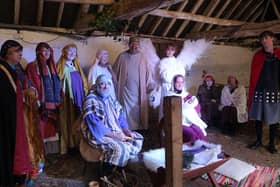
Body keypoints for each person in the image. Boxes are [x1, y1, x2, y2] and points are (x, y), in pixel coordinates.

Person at [81, 74, 143, 167]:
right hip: (98, 133)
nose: (106, 86)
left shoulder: (111, 100)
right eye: (102, 84)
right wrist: (116, 136)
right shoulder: (90, 101)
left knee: (137, 139)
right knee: (120, 148)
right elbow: (96, 125)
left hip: (115, 130)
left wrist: (127, 131)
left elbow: (121, 118)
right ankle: (107, 173)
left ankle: (120, 168)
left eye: (108, 84)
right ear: (97, 85)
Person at [0, 40, 31, 187]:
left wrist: (25, 93)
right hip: (7, 121)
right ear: (7, 54)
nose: (20, 54)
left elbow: (13, 94)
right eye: (16, 51)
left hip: (14, 117)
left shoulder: (11, 69)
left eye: (21, 51)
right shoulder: (2, 71)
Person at [247, 31, 280, 154]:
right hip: (259, 91)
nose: (264, 41)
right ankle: (259, 141)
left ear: (272, 39)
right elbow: (254, 75)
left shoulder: (279, 54)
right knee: (258, 118)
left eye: (266, 38)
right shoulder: (258, 56)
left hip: (274, 92)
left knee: (274, 120)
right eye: (262, 39)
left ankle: (271, 144)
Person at [26, 42, 61, 155]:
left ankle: (50, 153)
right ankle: (40, 153)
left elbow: (56, 83)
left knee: (50, 128)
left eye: (48, 51)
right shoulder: (32, 66)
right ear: (38, 52)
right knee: (40, 128)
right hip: (41, 104)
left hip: (53, 105)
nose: (46, 53)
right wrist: (38, 99)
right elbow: (31, 82)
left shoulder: (52, 66)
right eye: (43, 51)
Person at [113, 37, 153, 130]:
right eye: (132, 44)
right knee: (125, 110)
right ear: (129, 44)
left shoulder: (143, 57)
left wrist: (148, 86)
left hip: (139, 91)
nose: (134, 46)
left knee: (138, 111)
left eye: (136, 44)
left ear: (138, 45)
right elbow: (114, 71)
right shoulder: (122, 56)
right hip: (125, 90)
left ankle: (139, 128)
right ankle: (127, 129)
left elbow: (148, 73)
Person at [56, 43, 88, 154]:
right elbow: (58, 82)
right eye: (69, 51)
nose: (72, 54)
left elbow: (83, 81)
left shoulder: (76, 65)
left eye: (74, 52)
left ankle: (77, 144)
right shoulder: (60, 66)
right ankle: (69, 145)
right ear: (64, 53)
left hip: (78, 99)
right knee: (68, 120)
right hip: (67, 100)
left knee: (77, 119)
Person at [167, 74, 207, 144]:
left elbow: (195, 103)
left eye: (181, 82)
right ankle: (189, 152)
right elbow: (171, 110)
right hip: (178, 122)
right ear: (173, 83)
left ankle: (201, 150)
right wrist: (186, 106)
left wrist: (196, 110)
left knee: (200, 132)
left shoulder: (186, 94)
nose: (180, 84)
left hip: (190, 121)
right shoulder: (169, 95)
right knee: (192, 135)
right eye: (177, 82)